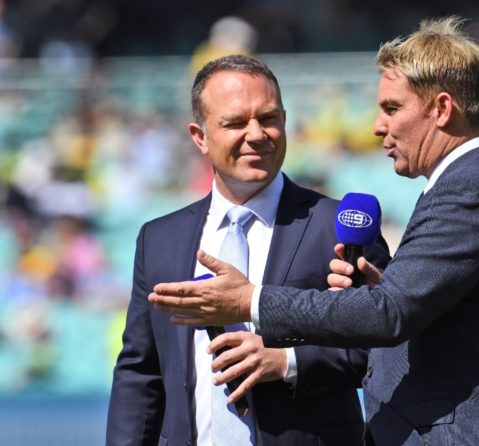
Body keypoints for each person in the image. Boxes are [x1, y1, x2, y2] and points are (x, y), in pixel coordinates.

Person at [150, 17, 479, 445]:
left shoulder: (468, 192)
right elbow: (410, 316)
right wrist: (382, 290)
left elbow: (388, 314)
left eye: (392, 108)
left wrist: (249, 299)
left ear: (440, 109)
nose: (378, 126)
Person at [107, 55, 390, 446]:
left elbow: (385, 348)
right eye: (236, 123)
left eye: (269, 118)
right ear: (199, 136)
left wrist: (286, 362)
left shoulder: (340, 227)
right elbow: (141, 373)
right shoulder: (159, 239)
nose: (256, 134)